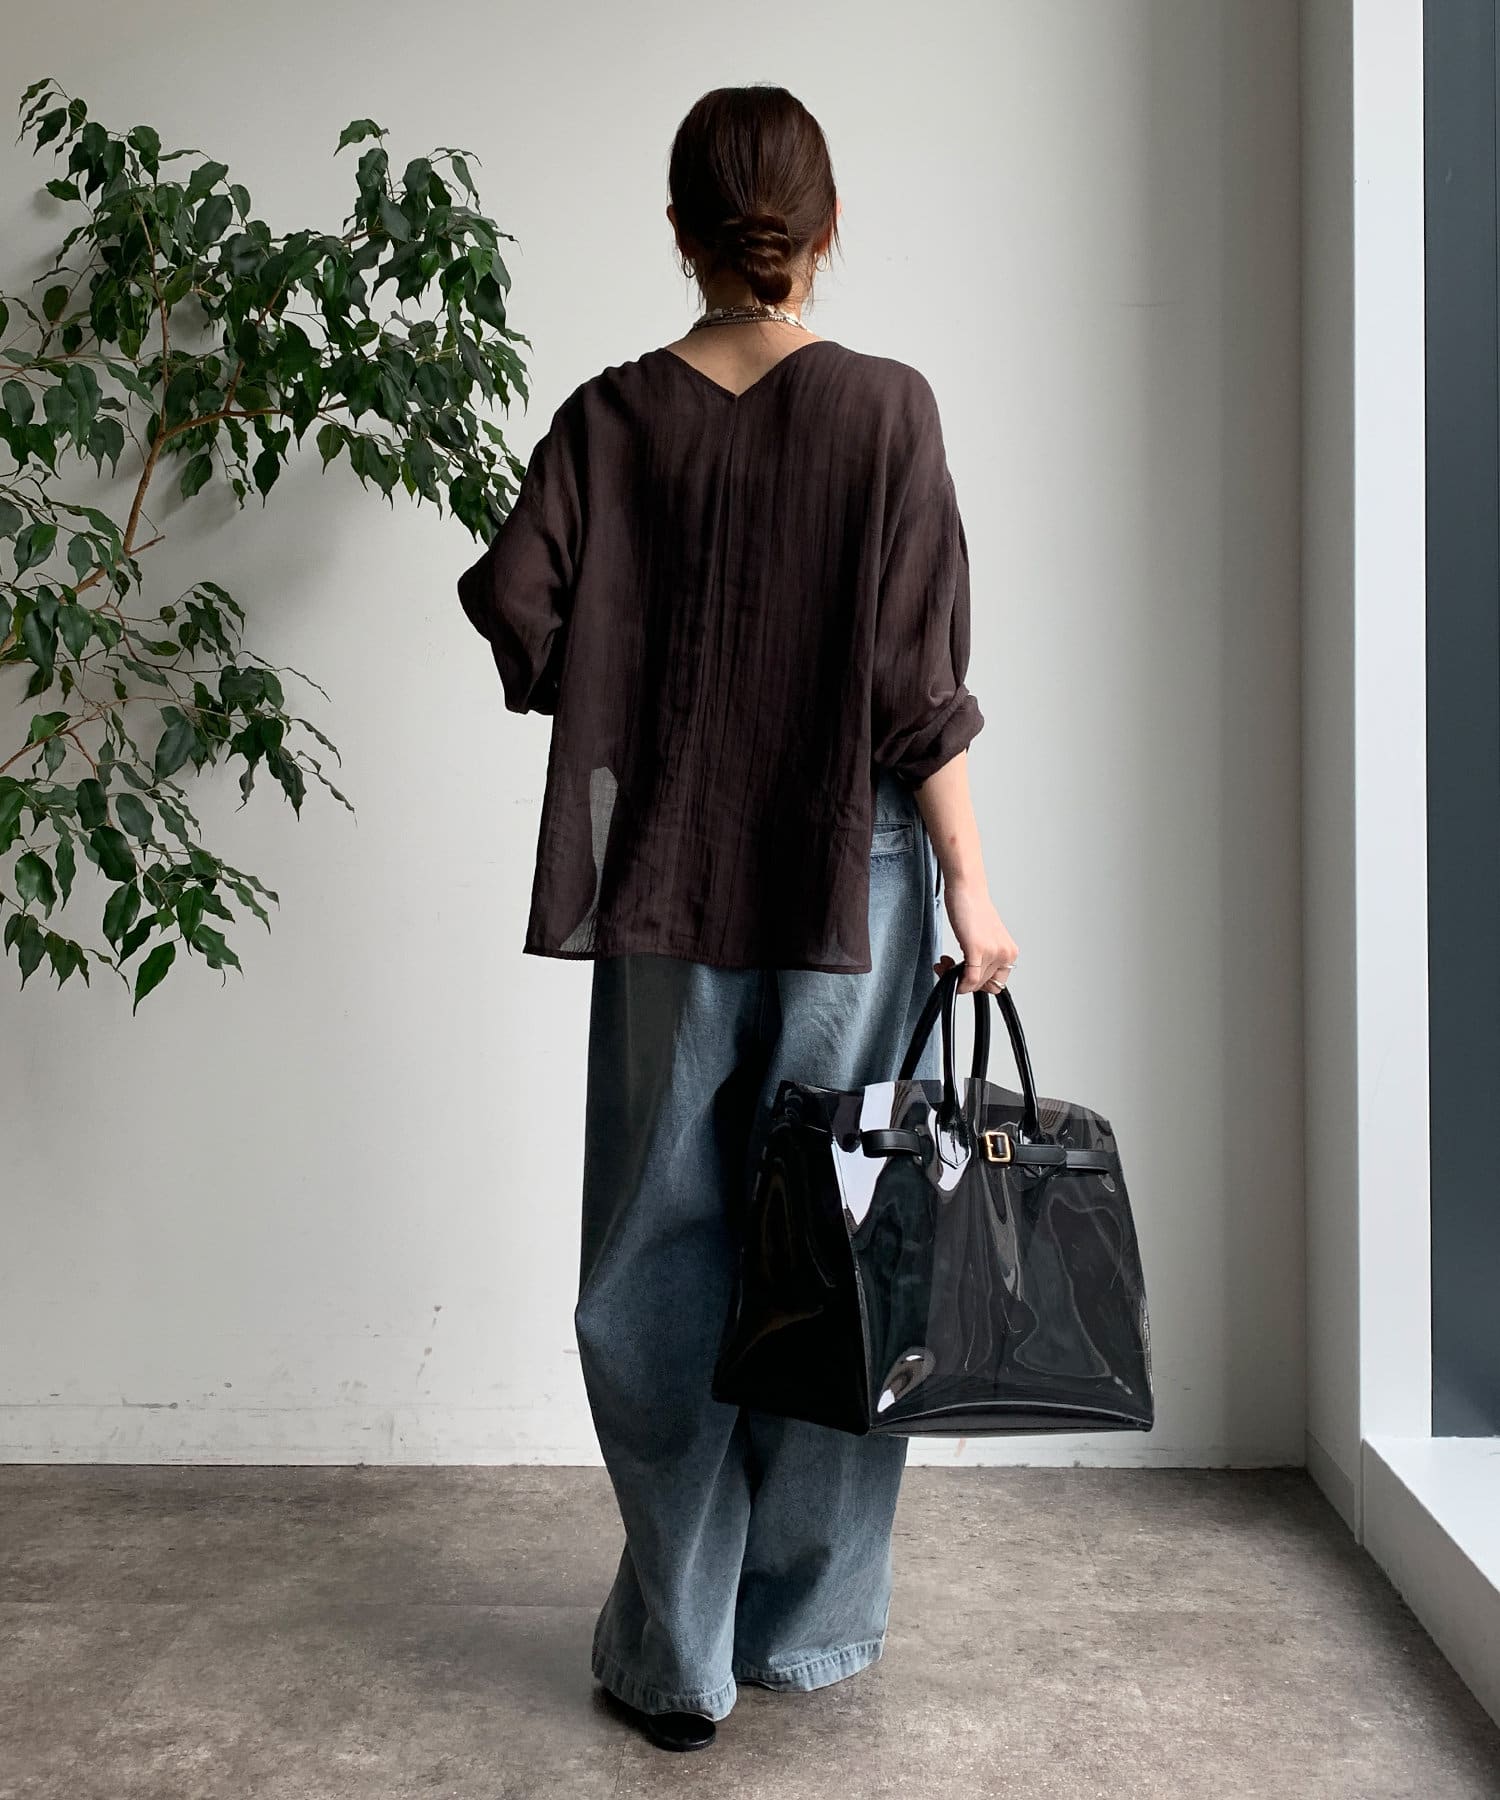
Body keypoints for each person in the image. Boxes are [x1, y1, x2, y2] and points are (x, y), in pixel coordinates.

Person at [456, 83, 1019, 1755]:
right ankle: (805, 1627)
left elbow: (517, 607)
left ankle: (678, 1652)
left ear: (681, 232)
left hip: (665, 884)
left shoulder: (610, 418)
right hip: (855, 880)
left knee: (660, 1256)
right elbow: (917, 689)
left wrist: (641, 670)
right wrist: (974, 882)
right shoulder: (889, 412)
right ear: (823, 230)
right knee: (843, 1252)